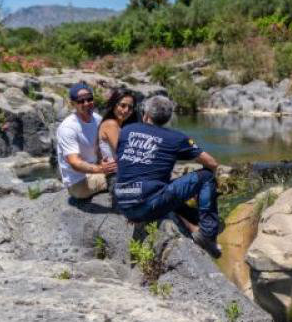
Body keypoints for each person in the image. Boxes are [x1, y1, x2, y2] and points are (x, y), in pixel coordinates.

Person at [114, 95, 223, 257]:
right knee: (206, 176)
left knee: (164, 186)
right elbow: (212, 163)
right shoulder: (176, 138)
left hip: (123, 202)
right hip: (148, 204)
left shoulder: (126, 130)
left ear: (146, 114)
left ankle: (192, 222)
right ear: (168, 117)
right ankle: (207, 233)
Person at [55, 82, 116, 199]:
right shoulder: (68, 128)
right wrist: (102, 169)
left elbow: (102, 146)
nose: (86, 103)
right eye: (81, 101)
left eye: (89, 99)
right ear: (73, 104)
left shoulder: (97, 119)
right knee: (124, 176)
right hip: (78, 182)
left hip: (95, 169)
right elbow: (74, 162)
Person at [98, 89, 138, 197]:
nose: (126, 110)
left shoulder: (119, 125)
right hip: (117, 178)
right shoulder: (111, 124)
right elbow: (125, 153)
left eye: (130, 108)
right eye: (123, 105)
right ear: (114, 105)